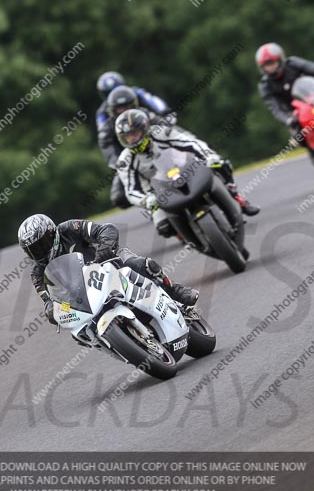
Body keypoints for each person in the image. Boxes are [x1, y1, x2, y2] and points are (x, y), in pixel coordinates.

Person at [18, 214, 199, 323]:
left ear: (52, 234)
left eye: (41, 244)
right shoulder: (38, 272)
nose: (39, 251)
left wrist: (105, 247)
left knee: (141, 265)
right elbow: (49, 300)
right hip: (84, 297)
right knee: (75, 327)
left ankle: (176, 291)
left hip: (108, 263)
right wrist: (55, 310)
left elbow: (106, 229)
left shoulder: (70, 228)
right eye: (32, 249)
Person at [114, 109, 259, 241]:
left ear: (145, 128)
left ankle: (238, 198)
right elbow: (130, 190)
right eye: (127, 137)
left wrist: (208, 156)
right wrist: (146, 200)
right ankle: (187, 238)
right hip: (157, 192)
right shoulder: (124, 161)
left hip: (185, 169)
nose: (132, 139)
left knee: (220, 164)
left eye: (134, 134)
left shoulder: (162, 133)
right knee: (164, 227)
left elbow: (190, 143)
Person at [255, 43, 314, 164]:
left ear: (280, 59)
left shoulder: (293, 63)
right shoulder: (265, 86)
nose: (270, 67)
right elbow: (275, 109)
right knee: (297, 136)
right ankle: (312, 149)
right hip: (295, 112)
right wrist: (288, 119)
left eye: (271, 63)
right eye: (266, 65)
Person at [95, 72, 171, 209]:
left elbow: (159, 106)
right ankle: (147, 200)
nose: (115, 95)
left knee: (183, 139)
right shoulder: (102, 114)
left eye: (127, 105)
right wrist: (117, 163)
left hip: (154, 140)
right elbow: (104, 139)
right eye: (109, 93)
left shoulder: (138, 95)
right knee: (119, 197)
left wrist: (165, 117)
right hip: (128, 150)